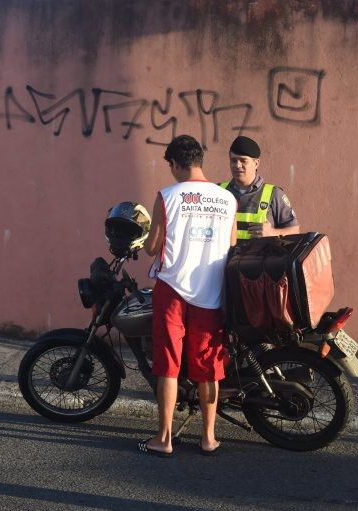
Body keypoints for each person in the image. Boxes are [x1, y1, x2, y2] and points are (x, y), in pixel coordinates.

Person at [139, 135, 237, 457]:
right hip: (211, 293)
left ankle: (164, 439)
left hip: (173, 291)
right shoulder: (227, 199)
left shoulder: (167, 196)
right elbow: (232, 244)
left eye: (171, 165)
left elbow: (153, 246)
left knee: (168, 364)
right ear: (199, 160)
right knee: (208, 366)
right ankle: (208, 437)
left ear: (176, 163)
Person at [222, 136, 299, 239]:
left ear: (256, 163)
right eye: (233, 160)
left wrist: (272, 233)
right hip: (226, 255)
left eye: (243, 161)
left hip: (261, 255)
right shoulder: (220, 192)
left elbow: (295, 230)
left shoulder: (274, 194)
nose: (237, 165)